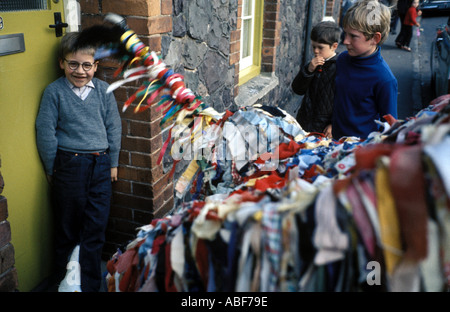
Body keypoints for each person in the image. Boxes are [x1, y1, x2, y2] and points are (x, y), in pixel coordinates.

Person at [35, 31, 122, 292]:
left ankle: (90, 285)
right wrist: (52, 168)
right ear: (62, 63)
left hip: (101, 164)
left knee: (96, 225)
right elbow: (45, 131)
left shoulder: (104, 91)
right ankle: (62, 282)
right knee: (68, 226)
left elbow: (113, 128)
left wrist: (114, 163)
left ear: (96, 66)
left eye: (87, 65)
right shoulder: (54, 92)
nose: (80, 71)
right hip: (69, 165)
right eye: (73, 64)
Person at [332, 0, 398, 140]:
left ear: (375, 38)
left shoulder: (384, 79)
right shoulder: (343, 59)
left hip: (361, 149)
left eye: (353, 36)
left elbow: (390, 128)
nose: (345, 41)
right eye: (345, 33)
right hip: (334, 143)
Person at [292, 21, 341, 138]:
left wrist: (333, 123)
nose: (316, 51)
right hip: (305, 120)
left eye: (320, 47)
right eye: (314, 46)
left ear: (334, 46)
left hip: (324, 127)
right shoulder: (312, 64)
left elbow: (343, 100)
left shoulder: (340, 68)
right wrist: (308, 70)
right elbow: (297, 89)